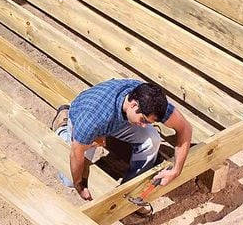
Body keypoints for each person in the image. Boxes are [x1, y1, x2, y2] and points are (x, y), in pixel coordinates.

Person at [51, 79, 192, 202]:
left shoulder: (151, 102)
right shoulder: (93, 118)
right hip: (85, 116)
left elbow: (185, 128)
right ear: (134, 105)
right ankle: (62, 128)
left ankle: (129, 189)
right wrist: (79, 185)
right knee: (68, 180)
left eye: (148, 122)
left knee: (152, 138)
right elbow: (76, 153)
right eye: (143, 120)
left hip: (116, 121)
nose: (144, 125)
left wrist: (176, 170)